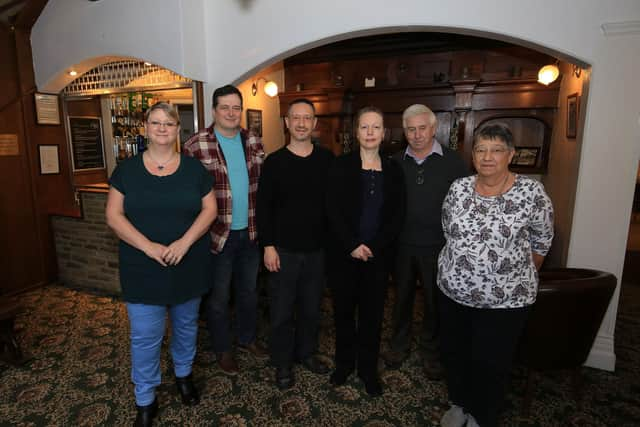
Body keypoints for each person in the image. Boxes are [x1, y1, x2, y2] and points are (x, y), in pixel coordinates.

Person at [105, 102, 217, 427]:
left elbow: (209, 211)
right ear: (146, 128)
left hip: (188, 262)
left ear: (177, 130)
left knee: (185, 327)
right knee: (144, 336)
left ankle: (183, 376)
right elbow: (113, 216)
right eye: (156, 123)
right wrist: (149, 247)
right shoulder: (126, 170)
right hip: (142, 267)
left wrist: (184, 242)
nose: (162, 128)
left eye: (169, 123)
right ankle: (145, 399)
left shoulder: (195, 170)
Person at [437, 123, 554, 427]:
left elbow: (542, 240)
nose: (487, 157)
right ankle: (459, 403)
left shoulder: (531, 192)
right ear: (473, 155)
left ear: (511, 154)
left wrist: (513, 276)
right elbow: (448, 230)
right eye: (480, 149)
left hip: (506, 301)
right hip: (454, 293)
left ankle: (482, 414)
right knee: (455, 353)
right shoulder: (459, 188)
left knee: (491, 361)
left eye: (496, 150)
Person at [183, 85, 267, 374]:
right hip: (217, 236)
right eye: (225, 107)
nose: (231, 113)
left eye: (236, 108)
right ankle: (223, 349)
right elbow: (186, 195)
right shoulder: (196, 144)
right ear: (214, 110)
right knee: (218, 299)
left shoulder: (254, 140)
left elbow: (264, 185)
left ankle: (247, 338)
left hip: (252, 232)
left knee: (249, 292)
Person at [326, 106, 405, 397]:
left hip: (378, 258)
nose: (370, 133)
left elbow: (397, 215)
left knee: (373, 317)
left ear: (384, 134)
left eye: (376, 128)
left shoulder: (395, 169)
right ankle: (344, 365)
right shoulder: (340, 165)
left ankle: (368, 371)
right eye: (364, 127)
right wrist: (352, 245)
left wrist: (373, 246)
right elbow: (332, 210)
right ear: (355, 132)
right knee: (343, 314)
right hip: (344, 256)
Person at [383, 104, 467, 379]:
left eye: (422, 128)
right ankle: (399, 345)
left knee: (434, 303)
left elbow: (464, 207)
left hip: (439, 247)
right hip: (402, 246)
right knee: (401, 299)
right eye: (411, 129)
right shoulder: (393, 163)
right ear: (404, 131)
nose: (417, 135)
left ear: (433, 129)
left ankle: (431, 351)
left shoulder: (455, 163)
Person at [256, 98, 334, 389]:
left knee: (312, 309)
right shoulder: (274, 162)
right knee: (281, 312)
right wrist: (268, 246)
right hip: (283, 252)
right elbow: (263, 208)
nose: (302, 123)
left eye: (307, 118)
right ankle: (283, 363)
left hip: (317, 251)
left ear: (314, 124)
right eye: (296, 118)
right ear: (287, 123)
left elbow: (334, 206)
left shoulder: (327, 159)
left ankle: (306, 353)